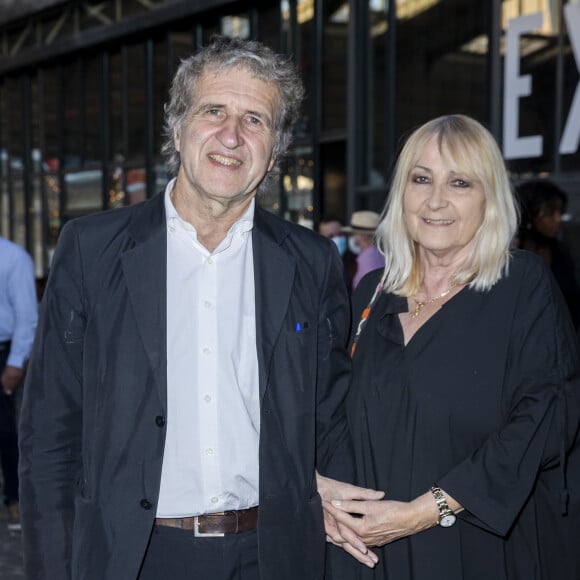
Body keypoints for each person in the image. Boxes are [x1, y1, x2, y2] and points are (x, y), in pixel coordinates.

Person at [18, 35, 381, 580]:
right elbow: (50, 431)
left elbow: (330, 422)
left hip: (273, 555)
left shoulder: (311, 262)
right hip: (136, 556)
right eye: (214, 111)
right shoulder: (93, 250)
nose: (231, 136)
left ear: (276, 149)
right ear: (178, 127)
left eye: (255, 120)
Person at [326, 115, 580, 579]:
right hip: (370, 554)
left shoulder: (520, 285)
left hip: (475, 546)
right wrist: (324, 493)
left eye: (460, 182)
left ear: (489, 199)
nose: (436, 200)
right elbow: (333, 414)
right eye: (421, 179)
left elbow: (544, 418)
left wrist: (427, 509)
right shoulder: (371, 295)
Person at [0, 237, 37, 532]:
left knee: (6, 431)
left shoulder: (13, 257)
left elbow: (27, 315)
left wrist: (15, 362)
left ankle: (14, 498)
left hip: (3, 353)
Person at [516, 178, 580, 329]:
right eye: (549, 213)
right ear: (528, 216)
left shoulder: (562, 252)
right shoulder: (511, 258)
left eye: (560, 211)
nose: (558, 219)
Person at [341, 211, 385, 290]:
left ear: (362, 235)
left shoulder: (368, 258)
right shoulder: (377, 254)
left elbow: (368, 289)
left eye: (354, 233)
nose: (352, 237)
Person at [318, 214, 357, 289]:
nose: (337, 239)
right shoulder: (317, 266)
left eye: (340, 234)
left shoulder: (356, 261)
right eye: (331, 236)